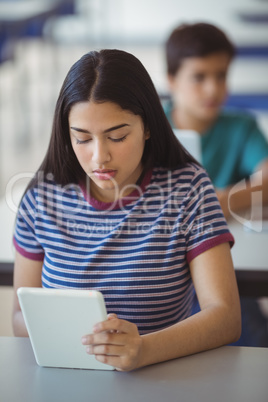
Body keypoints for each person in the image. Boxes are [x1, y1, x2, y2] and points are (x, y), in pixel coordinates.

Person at [12, 49, 241, 371]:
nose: (99, 157)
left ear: (147, 126)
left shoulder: (188, 188)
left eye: (117, 136)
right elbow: (19, 318)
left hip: (163, 379)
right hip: (67, 380)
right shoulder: (41, 198)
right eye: (82, 139)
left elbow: (225, 317)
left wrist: (143, 349)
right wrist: (83, 340)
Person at [164, 22, 268, 346]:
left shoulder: (241, 127)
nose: (213, 88)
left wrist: (200, 204)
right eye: (199, 77)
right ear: (171, 81)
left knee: (249, 338)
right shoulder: (148, 129)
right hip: (163, 268)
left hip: (227, 267)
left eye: (221, 75)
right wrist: (232, 202)